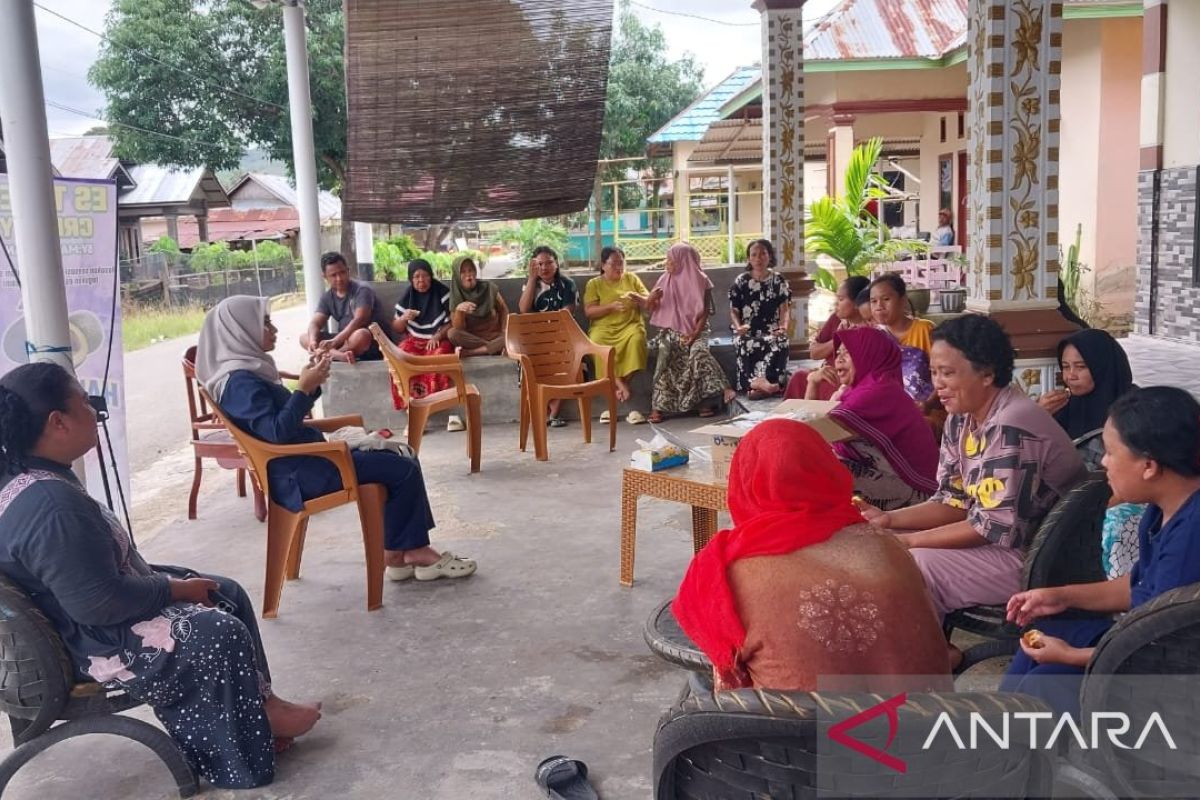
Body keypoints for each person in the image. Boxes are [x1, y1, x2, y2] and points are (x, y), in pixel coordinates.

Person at [0, 361, 323, 789]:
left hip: (74, 613)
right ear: (57, 421)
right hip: (84, 643)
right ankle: (237, 758)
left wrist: (175, 586)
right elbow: (99, 604)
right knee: (216, 631)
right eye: (83, 401)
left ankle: (263, 707)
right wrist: (173, 588)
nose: (94, 410)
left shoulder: (28, 476)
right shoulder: (50, 505)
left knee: (223, 591)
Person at [196, 296, 476, 583]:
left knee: (398, 458)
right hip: (302, 472)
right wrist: (303, 390)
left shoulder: (247, 372)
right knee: (402, 466)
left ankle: (398, 554)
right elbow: (276, 433)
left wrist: (311, 385)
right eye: (265, 323)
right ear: (239, 330)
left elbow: (283, 422)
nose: (273, 329)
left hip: (306, 459)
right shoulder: (239, 383)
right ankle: (412, 551)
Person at [672, 419, 950, 692]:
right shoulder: (887, 544)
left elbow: (727, 674)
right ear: (828, 469)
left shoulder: (727, 569)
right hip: (922, 726)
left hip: (801, 733)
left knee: (699, 683)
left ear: (745, 479)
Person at [861, 315, 1086, 636]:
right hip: (1003, 545)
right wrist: (888, 520)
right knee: (897, 557)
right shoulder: (961, 418)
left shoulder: (1011, 425)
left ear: (987, 374)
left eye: (948, 373)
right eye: (934, 372)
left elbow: (989, 529)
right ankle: (931, 654)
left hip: (1039, 558)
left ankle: (928, 661)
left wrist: (907, 541)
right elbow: (953, 502)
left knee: (911, 564)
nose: (937, 384)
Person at [1001, 387, 1200, 715]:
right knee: (1043, 633)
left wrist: (1070, 656)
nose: (1103, 462)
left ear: (1148, 466)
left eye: (1111, 452)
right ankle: (1003, 742)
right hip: (1140, 640)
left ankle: (1015, 751)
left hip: (1171, 674)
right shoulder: (1161, 508)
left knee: (1048, 680)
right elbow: (1140, 587)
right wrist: (1062, 596)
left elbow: (1165, 647)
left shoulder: (1189, 538)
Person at [1039, 329, 1141, 578]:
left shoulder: (1134, 411)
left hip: (1109, 506)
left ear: (1102, 365)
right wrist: (1039, 417)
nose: (1070, 376)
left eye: (1080, 367)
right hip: (1062, 505)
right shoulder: (1061, 408)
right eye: (1065, 367)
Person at [825, 327, 939, 511]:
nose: (838, 359)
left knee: (815, 471)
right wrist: (812, 383)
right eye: (837, 353)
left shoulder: (877, 390)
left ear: (868, 354)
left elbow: (819, 430)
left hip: (916, 493)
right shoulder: (862, 389)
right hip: (894, 480)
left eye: (848, 352)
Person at [646, 242, 734, 423]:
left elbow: (704, 313)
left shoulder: (702, 280)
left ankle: (721, 391)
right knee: (666, 354)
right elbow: (652, 309)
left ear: (682, 261)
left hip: (697, 330)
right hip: (670, 331)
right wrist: (651, 298)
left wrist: (693, 335)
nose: (667, 264)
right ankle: (658, 407)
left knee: (698, 353)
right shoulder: (664, 280)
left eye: (671, 260)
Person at [583, 246, 652, 423]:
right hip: (603, 328)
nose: (619, 268)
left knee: (637, 340)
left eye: (621, 263)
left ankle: (620, 388)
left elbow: (648, 302)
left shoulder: (632, 278)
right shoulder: (594, 284)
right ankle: (622, 386)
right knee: (596, 343)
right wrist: (610, 307)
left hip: (630, 326)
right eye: (614, 264)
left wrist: (638, 298)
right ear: (603, 265)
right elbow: (589, 312)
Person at [518, 246, 578, 426]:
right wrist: (531, 279)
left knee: (567, 358)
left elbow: (566, 314)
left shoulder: (568, 284)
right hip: (535, 336)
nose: (544, 268)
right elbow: (523, 309)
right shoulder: (531, 285)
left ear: (557, 264)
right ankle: (544, 409)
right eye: (539, 264)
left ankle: (553, 411)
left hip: (561, 333)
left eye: (549, 262)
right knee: (529, 360)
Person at [783, 275, 870, 400]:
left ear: (857, 303)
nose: (835, 304)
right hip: (826, 371)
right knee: (799, 376)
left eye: (840, 299)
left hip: (844, 378)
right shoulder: (837, 319)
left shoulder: (870, 330)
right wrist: (839, 337)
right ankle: (792, 417)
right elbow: (814, 353)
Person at [301, 251, 392, 362]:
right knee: (304, 337)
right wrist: (313, 341)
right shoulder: (327, 297)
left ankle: (331, 355)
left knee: (362, 335)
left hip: (369, 343)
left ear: (348, 271)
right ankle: (338, 356)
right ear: (325, 276)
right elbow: (315, 323)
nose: (339, 278)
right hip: (343, 342)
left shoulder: (362, 290)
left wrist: (335, 341)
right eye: (333, 275)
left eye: (342, 272)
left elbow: (360, 320)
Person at [728, 239, 791, 399]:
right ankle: (760, 385)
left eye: (763, 254)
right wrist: (738, 327)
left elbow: (784, 309)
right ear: (749, 258)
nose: (758, 258)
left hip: (771, 327)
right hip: (748, 328)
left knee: (781, 340)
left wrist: (783, 327)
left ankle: (766, 384)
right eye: (754, 255)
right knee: (744, 342)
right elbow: (734, 311)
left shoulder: (779, 280)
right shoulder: (741, 281)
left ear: (769, 256)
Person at [388, 258, 454, 410]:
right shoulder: (408, 296)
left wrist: (438, 335)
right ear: (411, 279)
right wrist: (404, 318)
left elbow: (452, 322)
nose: (421, 280)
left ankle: (431, 405)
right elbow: (397, 327)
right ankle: (409, 403)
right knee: (400, 355)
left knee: (437, 356)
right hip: (415, 339)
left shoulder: (442, 293)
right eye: (416, 277)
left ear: (431, 276)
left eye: (425, 276)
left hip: (439, 337)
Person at [869, 273, 934, 402]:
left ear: (903, 300)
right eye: (873, 301)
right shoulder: (873, 336)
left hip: (926, 411)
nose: (879, 306)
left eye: (886, 299)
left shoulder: (925, 330)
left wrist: (928, 404)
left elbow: (946, 374)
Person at [447, 255, 508, 357]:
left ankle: (472, 353)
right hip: (473, 339)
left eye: (470, 270)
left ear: (475, 272)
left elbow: (503, 309)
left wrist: (504, 330)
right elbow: (458, 328)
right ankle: (495, 348)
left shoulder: (488, 288)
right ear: (457, 275)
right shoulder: (456, 294)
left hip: (495, 335)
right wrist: (459, 311)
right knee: (452, 333)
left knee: (512, 336)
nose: (468, 275)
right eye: (463, 272)